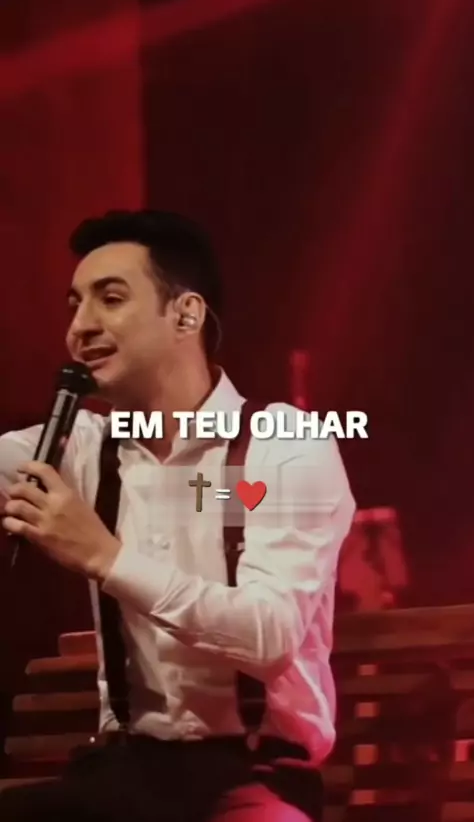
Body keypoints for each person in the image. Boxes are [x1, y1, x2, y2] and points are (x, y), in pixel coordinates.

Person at [0, 210, 356, 821]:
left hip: (254, 778)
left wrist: (105, 557)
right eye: (74, 305)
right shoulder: (80, 447)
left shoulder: (282, 443)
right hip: (121, 773)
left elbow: (267, 636)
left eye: (111, 298)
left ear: (187, 315)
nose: (81, 327)